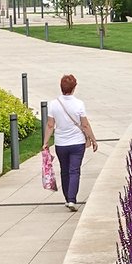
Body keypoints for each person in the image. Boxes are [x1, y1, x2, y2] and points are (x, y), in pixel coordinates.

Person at [45, 73, 98, 213]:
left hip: (61, 143)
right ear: (74, 88)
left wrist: (45, 142)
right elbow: (85, 124)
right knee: (74, 170)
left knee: (64, 171)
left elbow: (50, 125)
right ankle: (72, 199)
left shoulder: (54, 104)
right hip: (77, 143)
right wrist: (93, 139)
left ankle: (67, 197)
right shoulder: (79, 104)